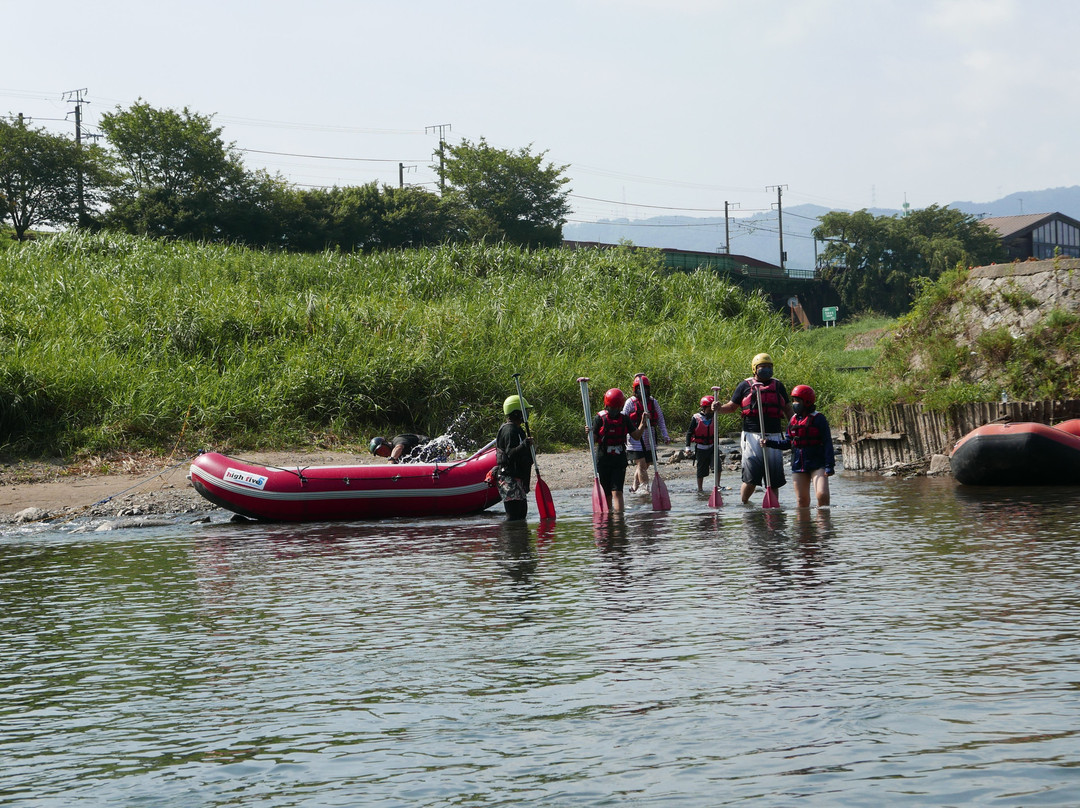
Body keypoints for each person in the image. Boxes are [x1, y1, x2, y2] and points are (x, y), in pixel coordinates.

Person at [712, 352, 793, 504]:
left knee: (773, 480)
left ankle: (773, 512)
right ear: (755, 369)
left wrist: (794, 427)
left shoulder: (778, 385)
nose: (767, 370)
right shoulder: (744, 386)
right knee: (751, 480)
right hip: (752, 435)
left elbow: (788, 409)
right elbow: (731, 407)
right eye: (763, 367)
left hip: (774, 435)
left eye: (770, 367)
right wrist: (718, 408)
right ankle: (745, 504)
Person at [764, 384, 835, 508]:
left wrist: (829, 465)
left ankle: (824, 524)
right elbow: (787, 443)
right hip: (799, 463)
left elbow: (828, 443)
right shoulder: (793, 420)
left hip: (818, 462)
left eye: (798, 401)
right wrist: (769, 443)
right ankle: (804, 526)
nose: (794, 404)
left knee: (822, 495)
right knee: (802, 501)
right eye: (793, 400)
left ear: (807, 401)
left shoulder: (819, 419)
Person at [590, 388, 645, 511]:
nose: (614, 411)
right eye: (613, 408)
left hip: (615, 460)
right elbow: (591, 440)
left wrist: (643, 422)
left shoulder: (622, 418)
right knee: (611, 493)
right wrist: (589, 433)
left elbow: (636, 436)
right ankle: (614, 521)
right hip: (606, 459)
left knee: (614, 493)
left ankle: (615, 522)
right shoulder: (601, 418)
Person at [621, 374, 670, 494]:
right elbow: (622, 418)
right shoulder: (630, 402)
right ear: (635, 389)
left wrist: (665, 435)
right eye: (639, 388)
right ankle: (644, 488)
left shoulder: (654, 402)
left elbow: (660, 420)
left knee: (646, 464)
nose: (643, 391)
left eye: (646, 388)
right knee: (641, 464)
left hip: (650, 436)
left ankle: (634, 485)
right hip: (635, 436)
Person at [494, 394, 534, 521]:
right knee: (514, 517)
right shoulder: (509, 430)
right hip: (509, 479)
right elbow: (510, 453)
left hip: (518, 479)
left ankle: (521, 540)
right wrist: (524, 445)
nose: (526, 414)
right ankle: (510, 539)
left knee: (522, 515)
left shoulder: (518, 430)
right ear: (516, 413)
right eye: (524, 411)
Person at [685, 395, 716, 492]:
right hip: (701, 448)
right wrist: (687, 447)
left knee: (717, 466)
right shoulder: (696, 418)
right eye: (709, 409)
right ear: (704, 407)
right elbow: (689, 433)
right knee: (701, 470)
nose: (711, 411)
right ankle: (700, 489)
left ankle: (717, 486)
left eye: (712, 409)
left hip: (712, 447)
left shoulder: (714, 416)